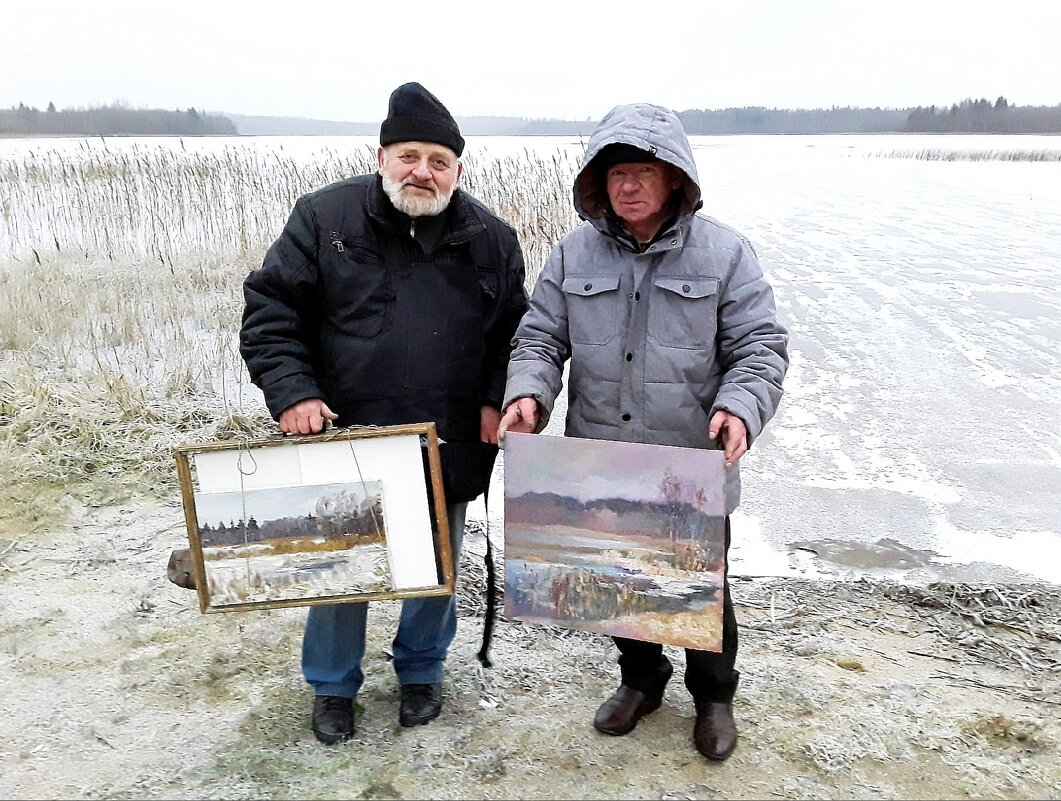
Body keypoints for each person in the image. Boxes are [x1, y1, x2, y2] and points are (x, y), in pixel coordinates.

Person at [497, 102, 788, 761]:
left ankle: (713, 695)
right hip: (603, 459)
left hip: (688, 463)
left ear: (676, 179)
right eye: (616, 174)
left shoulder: (726, 253)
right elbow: (539, 338)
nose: (627, 186)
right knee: (620, 583)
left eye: (643, 173)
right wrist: (528, 396)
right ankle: (641, 680)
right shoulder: (572, 253)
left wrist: (741, 407)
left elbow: (760, 348)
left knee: (700, 587)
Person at [240, 82, 528, 744]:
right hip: (347, 435)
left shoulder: (492, 238)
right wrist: (294, 392)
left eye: (438, 160)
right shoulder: (323, 218)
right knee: (341, 570)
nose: (422, 171)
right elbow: (271, 313)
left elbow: (515, 333)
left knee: (435, 567)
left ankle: (422, 671)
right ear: (381, 157)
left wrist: (495, 399)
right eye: (409, 156)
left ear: (457, 169)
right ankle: (333, 685)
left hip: (449, 436)